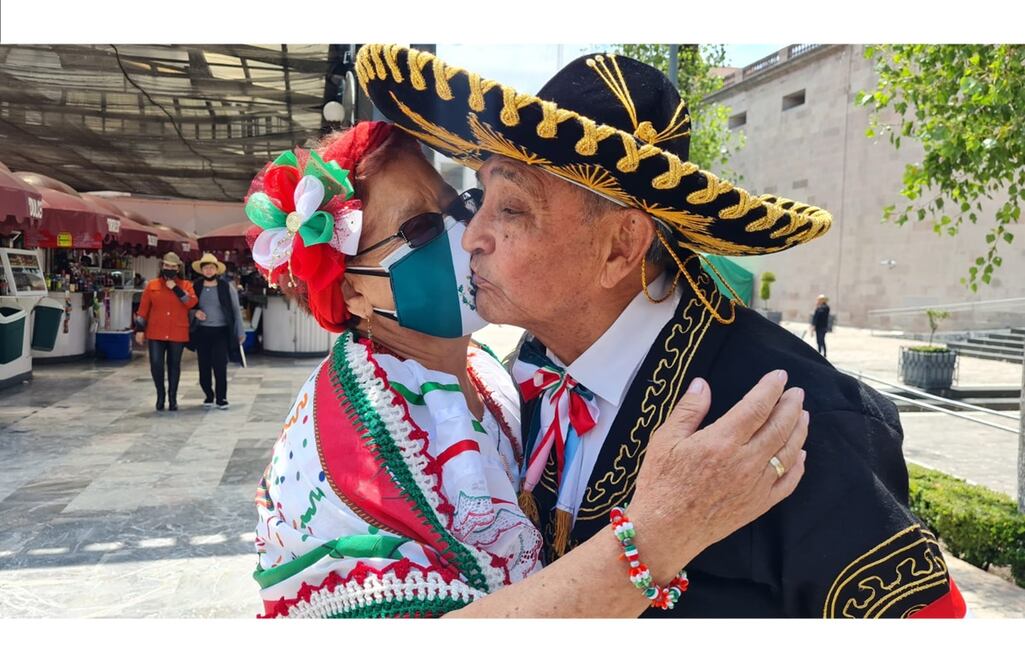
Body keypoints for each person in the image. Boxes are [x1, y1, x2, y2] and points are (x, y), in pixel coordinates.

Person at [358, 44, 967, 618]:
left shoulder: (798, 420)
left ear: (621, 247)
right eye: (480, 198)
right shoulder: (534, 363)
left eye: (512, 209)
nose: (471, 237)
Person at [248, 121, 807, 618]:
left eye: (459, 203)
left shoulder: (496, 368)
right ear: (351, 291)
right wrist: (659, 534)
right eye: (421, 228)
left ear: (626, 245)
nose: (466, 234)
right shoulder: (354, 437)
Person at [135, 251, 197, 411]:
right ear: (162, 266)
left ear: (178, 268)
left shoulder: (186, 285)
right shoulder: (152, 285)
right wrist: (140, 329)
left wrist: (175, 289)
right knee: (156, 364)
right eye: (166, 265)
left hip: (177, 331)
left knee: (174, 365)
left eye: (172, 266)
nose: (169, 268)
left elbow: (191, 303)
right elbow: (143, 309)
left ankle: (172, 397)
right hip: (156, 331)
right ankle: (160, 394)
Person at [190, 252, 245, 409]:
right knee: (204, 366)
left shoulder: (226, 287)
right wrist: (195, 313)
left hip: (221, 332)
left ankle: (222, 398)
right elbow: (188, 307)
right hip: (202, 332)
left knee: (220, 365)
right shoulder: (196, 286)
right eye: (206, 268)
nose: (208, 270)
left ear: (216, 270)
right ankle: (208, 395)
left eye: (211, 268)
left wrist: (240, 332)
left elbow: (235, 310)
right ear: (202, 270)